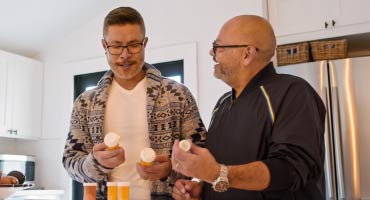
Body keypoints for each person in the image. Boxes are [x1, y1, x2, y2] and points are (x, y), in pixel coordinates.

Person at [171, 15, 326, 200]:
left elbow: (291, 169)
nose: (212, 53)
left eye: (218, 47)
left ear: (247, 54)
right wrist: (202, 190)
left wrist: (216, 174)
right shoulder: (222, 104)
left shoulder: (293, 92)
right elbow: (222, 170)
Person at [62, 7, 207, 200]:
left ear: (145, 43)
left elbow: (203, 155)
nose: (124, 55)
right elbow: (71, 163)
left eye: (133, 45)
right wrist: (95, 162)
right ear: (104, 46)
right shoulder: (85, 103)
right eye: (116, 46)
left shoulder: (178, 95)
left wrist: (172, 168)